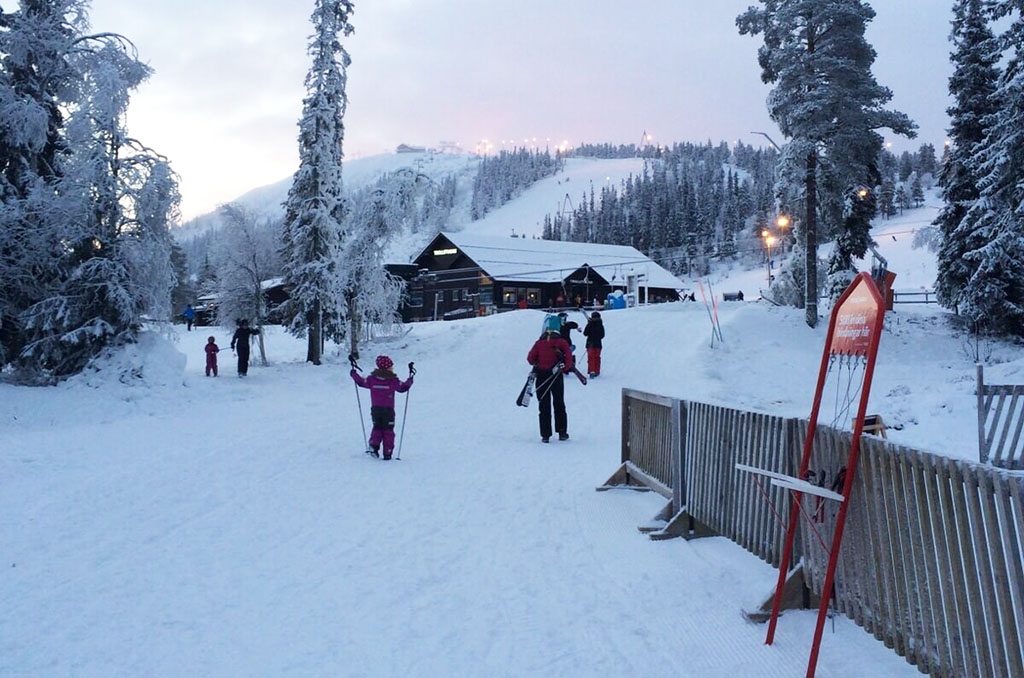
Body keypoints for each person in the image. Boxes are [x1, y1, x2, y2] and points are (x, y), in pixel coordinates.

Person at [350, 355, 414, 460]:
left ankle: (374, 446)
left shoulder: (372, 379)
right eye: (391, 367)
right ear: (388, 368)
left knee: (377, 428)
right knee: (388, 431)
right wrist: (410, 379)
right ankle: (387, 452)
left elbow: (361, 382)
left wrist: (354, 373)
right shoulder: (392, 380)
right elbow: (403, 388)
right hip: (388, 411)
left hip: (375, 410)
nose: (392, 368)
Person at [527, 315, 574, 443]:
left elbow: (530, 359)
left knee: (543, 405)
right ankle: (562, 432)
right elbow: (569, 359)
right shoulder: (561, 342)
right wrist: (564, 368)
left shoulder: (539, 342)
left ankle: (545, 434)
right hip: (556, 376)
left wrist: (538, 362)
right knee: (559, 403)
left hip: (541, 376)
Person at [583, 311, 605, 378]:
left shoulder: (600, 325)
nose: (595, 319)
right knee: (591, 357)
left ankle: (597, 371)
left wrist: (595, 336)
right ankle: (592, 371)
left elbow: (602, 335)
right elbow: (585, 333)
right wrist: (589, 325)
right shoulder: (590, 324)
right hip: (590, 344)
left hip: (597, 344)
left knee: (597, 358)